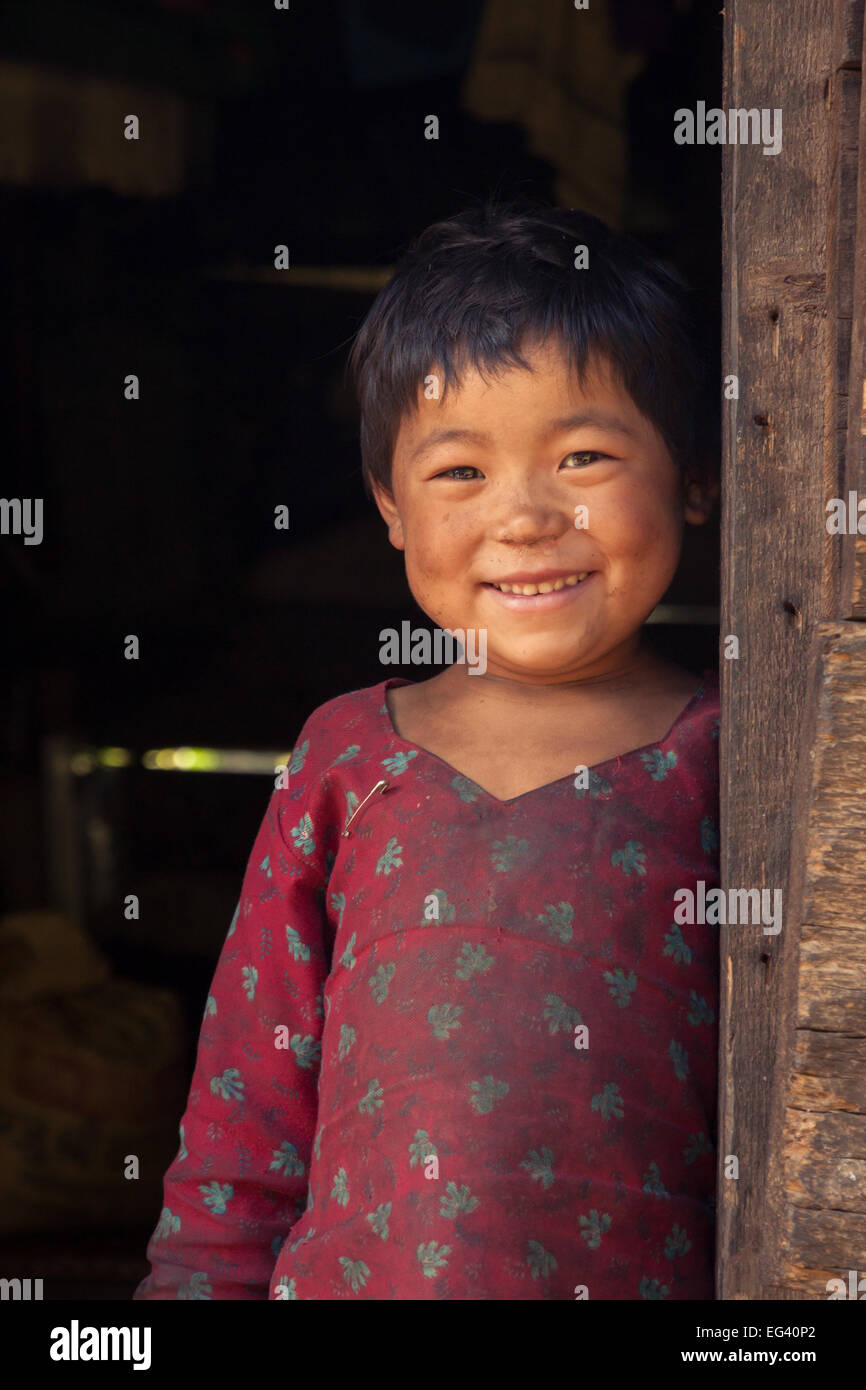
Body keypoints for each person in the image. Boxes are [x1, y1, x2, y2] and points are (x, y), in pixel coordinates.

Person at [134, 198, 720, 1301]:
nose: (524, 515)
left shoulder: (732, 756)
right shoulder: (346, 758)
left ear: (692, 473)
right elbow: (242, 1121)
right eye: (460, 472)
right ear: (388, 505)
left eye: (583, 454)